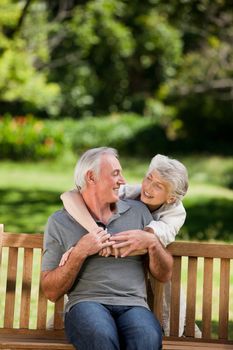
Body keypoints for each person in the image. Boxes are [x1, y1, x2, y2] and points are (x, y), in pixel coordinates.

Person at [41, 147, 173, 350]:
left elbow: (163, 274)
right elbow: (50, 291)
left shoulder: (138, 212)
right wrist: (80, 252)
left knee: (147, 337)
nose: (123, 181)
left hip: (134, 305)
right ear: (91, 177)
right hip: (86, 304)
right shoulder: (60, 222)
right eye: (115, 173)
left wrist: (153, 243)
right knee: (100, 335)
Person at [59, 154, 189, 336]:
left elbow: (140, 243)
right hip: (111, 272)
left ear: (171, 199)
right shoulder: (129, 193)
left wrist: (91, 246)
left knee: (165, 286)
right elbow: (70, 196)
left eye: (158, 186)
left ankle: (172, 332)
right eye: (148, 178)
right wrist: (94, 235)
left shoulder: (175, 214)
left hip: (147, 266)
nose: (148, 188)